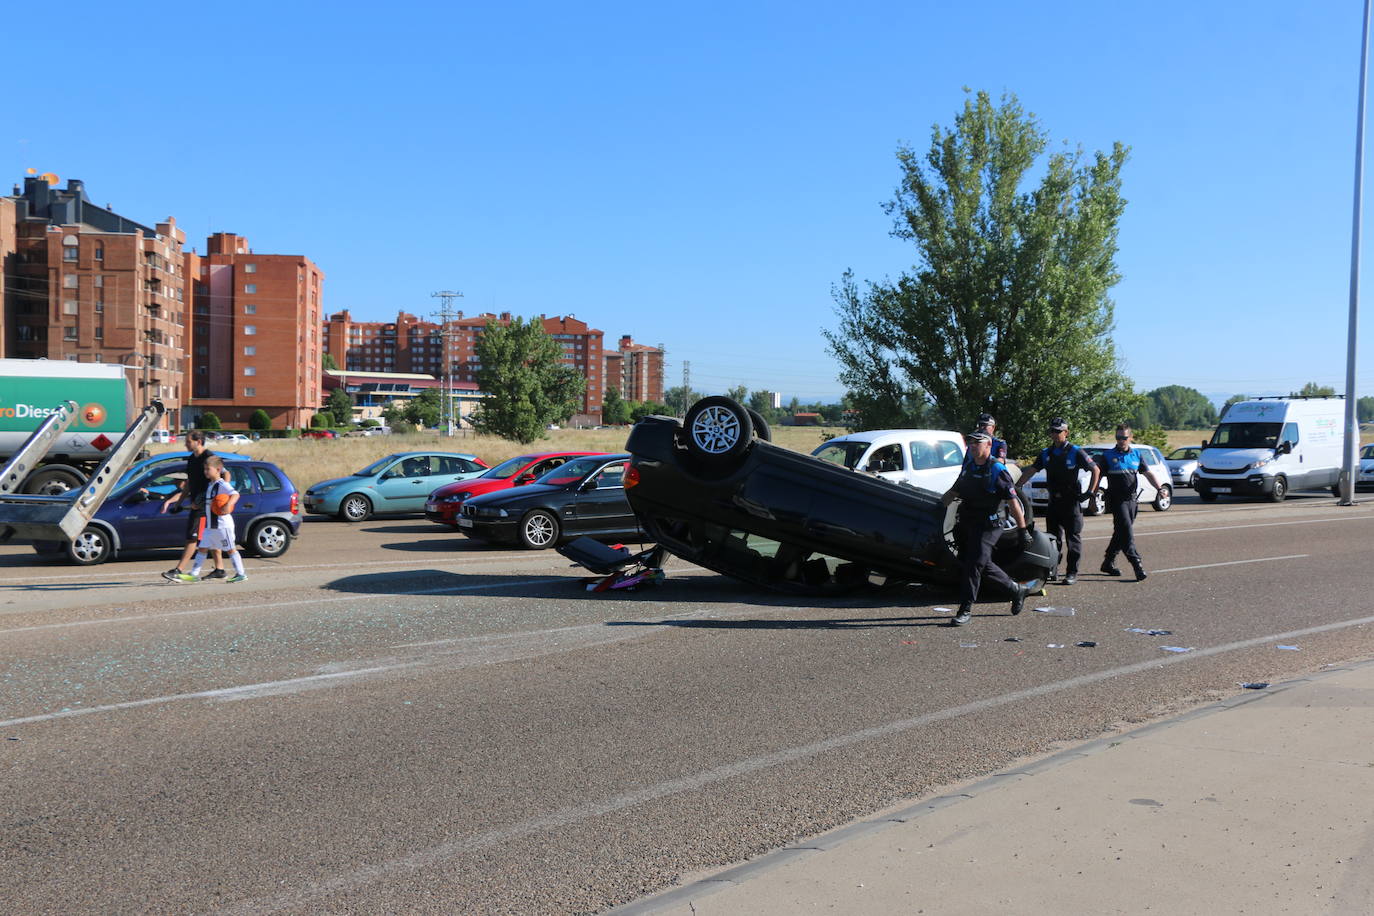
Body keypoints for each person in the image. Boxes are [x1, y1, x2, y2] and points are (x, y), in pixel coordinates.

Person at [940, 431, 1033, 626]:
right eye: (971, 443)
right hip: (970, 521)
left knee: (974, 564)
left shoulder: (997, 470)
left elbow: (1013, 502)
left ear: (989, 446)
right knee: (979, 562)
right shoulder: (969, 467)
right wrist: (937, 506)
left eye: (977, 443)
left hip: (991, 523)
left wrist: (1023, 530)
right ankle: (1015, 589)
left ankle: (965, 609)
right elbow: (955, 491)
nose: (973, 446)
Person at [1015, 418, 1100, 585]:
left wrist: (1090, 493)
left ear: (1066, 432)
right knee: (1053, 539)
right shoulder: (1046, 453)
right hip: (1054, 502)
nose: (1054, 434)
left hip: (1071, 503)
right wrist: (1015, 488)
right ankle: (1052, 570)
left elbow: (1095, 469)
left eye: (1058, 431)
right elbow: (1031, 471)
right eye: (1052, 431)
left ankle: (1071, 573)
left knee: (1072, 539)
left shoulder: (1076, 451)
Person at [1100, 424, 1169, 581]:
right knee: (1127, 533)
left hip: (1132, 500)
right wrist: (1092, 494)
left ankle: (1108, 562)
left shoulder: (1136, 455)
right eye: (1118, 437)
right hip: (1116, 501)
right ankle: (1137, 565)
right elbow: (1097, 474)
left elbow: (1148, 473)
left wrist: (1159, 488)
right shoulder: (1108, 455)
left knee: (1121, 532)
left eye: (1124, 438)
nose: (1121, 440)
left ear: (1130, 438)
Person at [159, 430, 224, 581]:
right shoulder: (191, 460)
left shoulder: (210, 457)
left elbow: (225, 475)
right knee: (211, 537)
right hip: (196, 504)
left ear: (198, 442)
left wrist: (217, 497)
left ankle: (178, 569)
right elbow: (189, 483)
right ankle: (220, 569)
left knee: (192, 538)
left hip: (204, 506)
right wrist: (178, 502)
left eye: (188, 441)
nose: (186, 444)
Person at [172, 456, 247, 584]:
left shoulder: (222, 484)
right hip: (210, 525)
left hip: (223, 525)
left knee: (230, 549)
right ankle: (194, 574)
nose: (205, 471)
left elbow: (235, 494)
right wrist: (194, 506)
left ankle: (241, 574)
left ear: (218, 469)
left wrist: (228, 504)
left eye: (208, 469)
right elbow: (210, 504)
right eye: (204, 469)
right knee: (202, 548)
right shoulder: (211, 485)